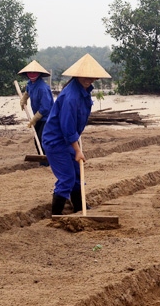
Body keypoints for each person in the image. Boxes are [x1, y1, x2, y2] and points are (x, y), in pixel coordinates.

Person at [42, 54, 111, 215]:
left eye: (92, 77)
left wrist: (76, 146)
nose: (89, 79)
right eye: (85, 77)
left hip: (67, 140)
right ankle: (56, 215)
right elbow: (67, 127)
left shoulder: (83, 91)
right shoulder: (71, 96)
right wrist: (77, 149)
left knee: (77, 175)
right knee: (67, 178)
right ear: (78, 75)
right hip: (56, 141)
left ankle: (80, 208)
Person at [17, 60, 54, 164]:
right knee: (36, 138)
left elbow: (45, 108)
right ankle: (42, 159)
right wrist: (24, 99)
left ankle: (47, 161)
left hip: (48, 117)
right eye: (30, 73)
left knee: (43, 138)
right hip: (39, 117)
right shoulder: (30, 84)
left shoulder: (43, 88)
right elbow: (28, 91)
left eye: (34, 73)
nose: (32, 75)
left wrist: (34, 119)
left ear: (39, 74)